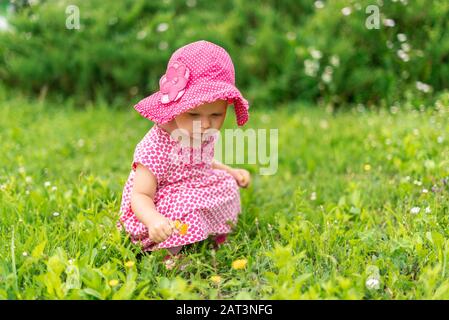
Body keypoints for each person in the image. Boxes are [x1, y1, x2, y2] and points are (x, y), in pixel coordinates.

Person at [117, 40, 251, 269]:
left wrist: (231, 171)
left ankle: (213, 234)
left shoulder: (203, 132)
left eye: (217, 115)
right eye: (194, 114)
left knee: (227, 184)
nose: (206, 124)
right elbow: (139, 195)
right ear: (175, 107)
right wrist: (153, 220)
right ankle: (170, 253)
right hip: (158, 206)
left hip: (192, 187)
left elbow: (204, 163)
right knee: (183, 203)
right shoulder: (156, 145)